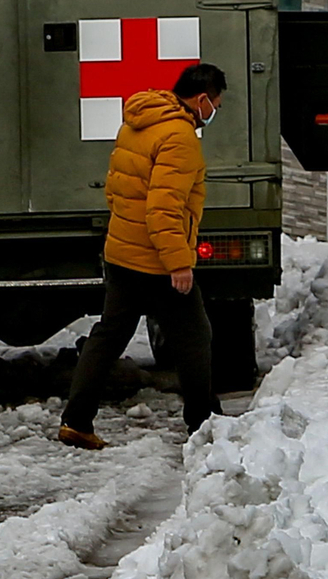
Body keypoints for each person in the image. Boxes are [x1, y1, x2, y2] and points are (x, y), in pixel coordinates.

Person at [58, 63, 227, 449]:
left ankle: (76, 420)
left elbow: (116, 190)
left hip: (122, 250)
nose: (215, 109)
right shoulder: (180, 137)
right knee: (195, 337)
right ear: (202, 99)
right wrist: (178, 263)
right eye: (216, 102)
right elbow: (164, 208)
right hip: (155, 259)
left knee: (108, 336)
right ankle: (205, 425)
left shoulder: (138, 121)